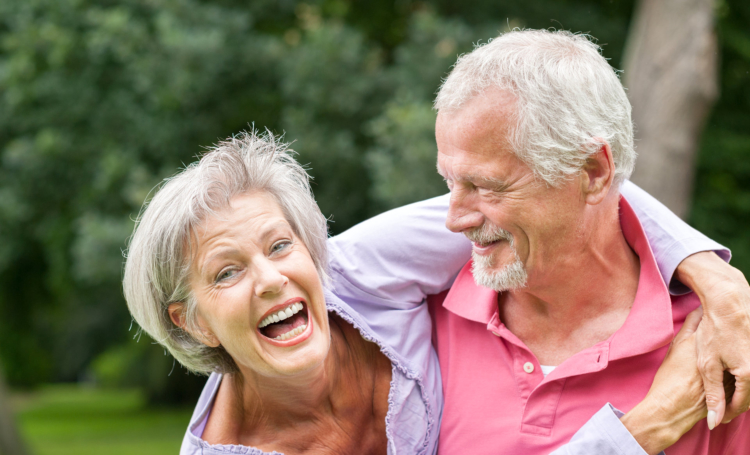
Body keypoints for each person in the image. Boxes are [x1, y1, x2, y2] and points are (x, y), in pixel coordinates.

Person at [126, 131, 731, 455]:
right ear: (193, 323)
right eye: (226, 273)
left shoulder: (359, 272)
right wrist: (643, 431)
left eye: (281, 246)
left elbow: (561, 193)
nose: (270, 278)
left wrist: (722, 287)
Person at [328, 30, 750, 454]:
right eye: (450, 182)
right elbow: (332, 265)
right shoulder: (415, 321)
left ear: (592, 172)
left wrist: (713, 278)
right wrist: (644, 429)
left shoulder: (722, 348)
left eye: (486, 186)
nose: (453, 220)